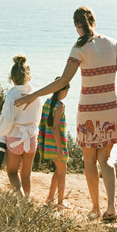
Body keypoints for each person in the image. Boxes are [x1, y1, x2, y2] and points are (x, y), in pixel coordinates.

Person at [16, 6, 117, 221]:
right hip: (111, 109)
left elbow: (63, 81)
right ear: (94, 20)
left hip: (89, 112)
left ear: (78, 26)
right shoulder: (112, 44)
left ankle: (95, 208)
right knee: (105, 158)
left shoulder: (79, 48)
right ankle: (111, 207)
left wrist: (33, 96)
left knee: (89, 160)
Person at [0, 54, 43, 197]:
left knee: (12, 172)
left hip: (14, 138)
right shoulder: (36, 95)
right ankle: (26, 199)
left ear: (12, 78)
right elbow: (38, 119)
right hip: (31, 138)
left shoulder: (11, 95)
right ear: (29, 78)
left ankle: (19, 196)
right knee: (26, 174)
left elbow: (7, 120)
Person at [39, 78, 71, 210]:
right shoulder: (60, 106)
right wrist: (60, 148)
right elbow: (56, 127)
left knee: (58, 171)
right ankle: (60, 202)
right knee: (62, 172)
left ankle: (50, 198)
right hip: (56, 144)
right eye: (67, 90)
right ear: (63, 90)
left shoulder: (47, 102)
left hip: (48, 143)